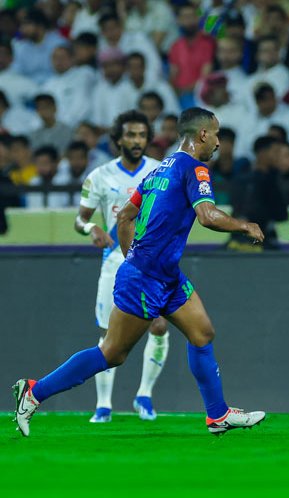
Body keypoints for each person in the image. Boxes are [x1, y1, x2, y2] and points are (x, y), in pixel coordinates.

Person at [13, 107, 267, 437]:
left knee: (202, 333)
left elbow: (125, 215)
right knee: (112, 353)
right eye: (216, 134)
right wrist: (244, 225)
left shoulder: (159, 169)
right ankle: (34, 391)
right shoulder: (195, 169)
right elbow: (207, 216)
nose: (219, 142)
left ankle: (217, 415)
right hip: (145, 279)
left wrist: (131, 254)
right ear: (202, 134)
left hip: (165, 275)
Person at [74, 110, 168, 422]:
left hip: (152, 263)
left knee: (159, 325)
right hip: (115, 260)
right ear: (118, 140)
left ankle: (145, 396)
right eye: (131, 135)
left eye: (142, 135)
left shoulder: (159, 171)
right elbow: (80, 219)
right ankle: (103, 405)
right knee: (109, 332)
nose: (137, 140)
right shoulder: (99, 176)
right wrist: (92, 229)